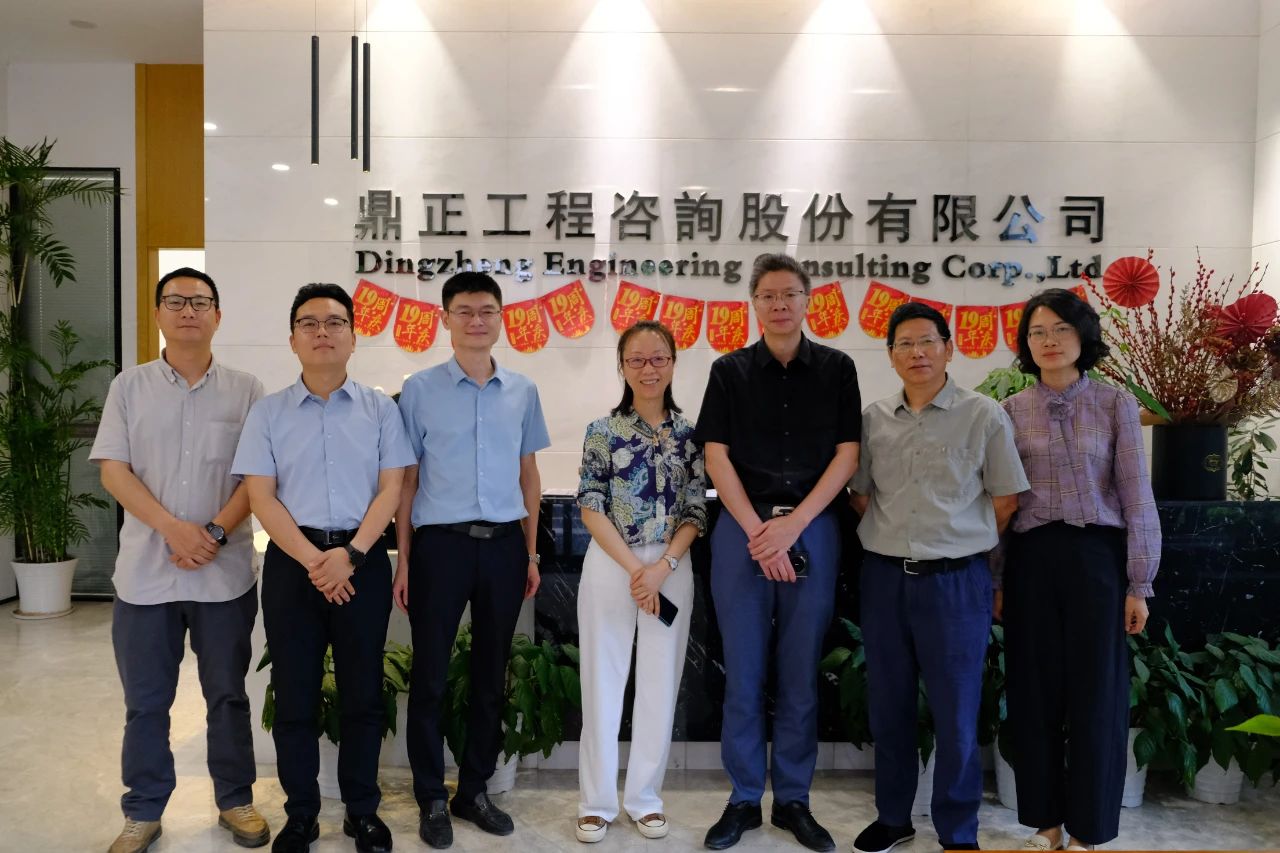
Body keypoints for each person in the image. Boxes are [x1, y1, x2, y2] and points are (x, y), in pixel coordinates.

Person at [231, 283, 414, 853]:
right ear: (292, 340)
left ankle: (362, 812)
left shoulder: (381, 410)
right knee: (295, 698)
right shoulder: (268, 413)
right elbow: (260, 496)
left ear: (354, 337)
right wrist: (316, 561)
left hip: (362, 560)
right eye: (308, 323)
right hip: (295, 566)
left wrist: (351, 555)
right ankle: (302, 815)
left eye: (335, 322)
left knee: (363, 694)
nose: (322, 332)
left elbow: (392, 489)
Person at [93, 268, 269, 853]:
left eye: (200, 302)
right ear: (158, 313)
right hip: (146, 575)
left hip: (224, 575)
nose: (188, 310)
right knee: (146, 704)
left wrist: (212, 533)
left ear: (218, 315)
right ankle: (142, 811)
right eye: (175, 301)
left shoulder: (246, 390)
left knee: (228, 697)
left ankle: (235, 799)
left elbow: (257, 477)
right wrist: (174, 529)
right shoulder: (129, 387)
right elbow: (114, 470)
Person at [694, 253, 861, 853]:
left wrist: (794, 526)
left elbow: (847, 455)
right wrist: (758, 530)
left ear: (808, 300)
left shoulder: (838, 369)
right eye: (768, 295)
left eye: (790, 293)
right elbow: (716, 455)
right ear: (754, 304)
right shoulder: (728, 371)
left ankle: (793, 800)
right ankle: (743, 799)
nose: (779, 304)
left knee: (799, 673)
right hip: (742, 529)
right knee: (742, 673)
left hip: (811, 526)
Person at [850, 302, 1028, 853]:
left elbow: (1005, 502)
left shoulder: (983, 415)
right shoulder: (874, 419)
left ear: (949, 348)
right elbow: (861, 496)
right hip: (885, 580)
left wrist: (954, 542)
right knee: (889, 706)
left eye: (927, 341)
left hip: (956, 582)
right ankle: (893, 818)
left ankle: (957, 829)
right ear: (891, 356)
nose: (917, 353)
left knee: (955, 711)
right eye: (904, 344)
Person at [395, 271, 551, 850]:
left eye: (487, 310)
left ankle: (475, 789)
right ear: (446, 319)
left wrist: (530, 552)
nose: (476, 320)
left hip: (505, 545)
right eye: (464, 311)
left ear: (501, 318)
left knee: (490, 676)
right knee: (431, 676)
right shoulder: (419, 390)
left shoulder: (523, 391)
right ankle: (431, 796)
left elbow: (529, 476)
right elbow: (407, 480)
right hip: (440, 546)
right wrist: (405, 560)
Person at [999, 288, 1158, 852]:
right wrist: (996, 578)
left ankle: (1088, 830)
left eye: (1061, 329)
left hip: (1097, 559)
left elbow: (1136, 495)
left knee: (1098, 695)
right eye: (1037, 332)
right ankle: (1045, 825)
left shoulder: (1115, 404)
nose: (1049, 341)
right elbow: (1001, 501)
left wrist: (1139, 582)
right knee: (1033, 692)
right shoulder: (1009, 411)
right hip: (1031, 559)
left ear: (1082, 336)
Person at [574, 320, 708, 844]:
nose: (648, 369)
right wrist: (637, 570)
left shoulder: (691, 434)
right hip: (613, 564)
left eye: (658, 359)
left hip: (671, 567)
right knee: (601, 682)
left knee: (660, 683)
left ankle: (646, 800)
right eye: (637, 359)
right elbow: (591, 505)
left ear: (672, 363)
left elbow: (696, 508)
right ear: (622, 366)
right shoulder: (602, 431)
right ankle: (596, 804)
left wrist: (662, 567)